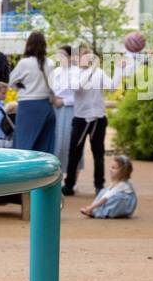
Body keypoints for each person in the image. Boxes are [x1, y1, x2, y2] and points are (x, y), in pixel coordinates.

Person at [63, 49, 113, 196]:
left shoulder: (99, 73)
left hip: (98, 119)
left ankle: (99, 185)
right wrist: (92, 70)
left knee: (98, 154)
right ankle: (69, 185)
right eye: (80, 56)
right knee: (74, 153)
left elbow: (112, 87)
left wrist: (119, 71)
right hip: (81, 119)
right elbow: (77, 87)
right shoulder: (73, 73)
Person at [7, 31, 59, 154]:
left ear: (29, 44)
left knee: (23, 147)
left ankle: (23, 173)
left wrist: (22, 87)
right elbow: (54, 86)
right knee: (45, 148)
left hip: (28, 107)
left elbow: (11, 82)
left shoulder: (24, 63)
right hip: (46, 107)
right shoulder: (50, 63)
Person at [50, 45, 79, 173]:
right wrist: (53, 99)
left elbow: (79, 95)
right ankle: (57, 175)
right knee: (56, 144)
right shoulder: (55, 72)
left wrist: (64, 101)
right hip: (55, 110)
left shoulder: (77, 72)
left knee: (69, 143)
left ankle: (72, 178)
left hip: (69, 111)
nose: (59, 57)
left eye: (62, 54)